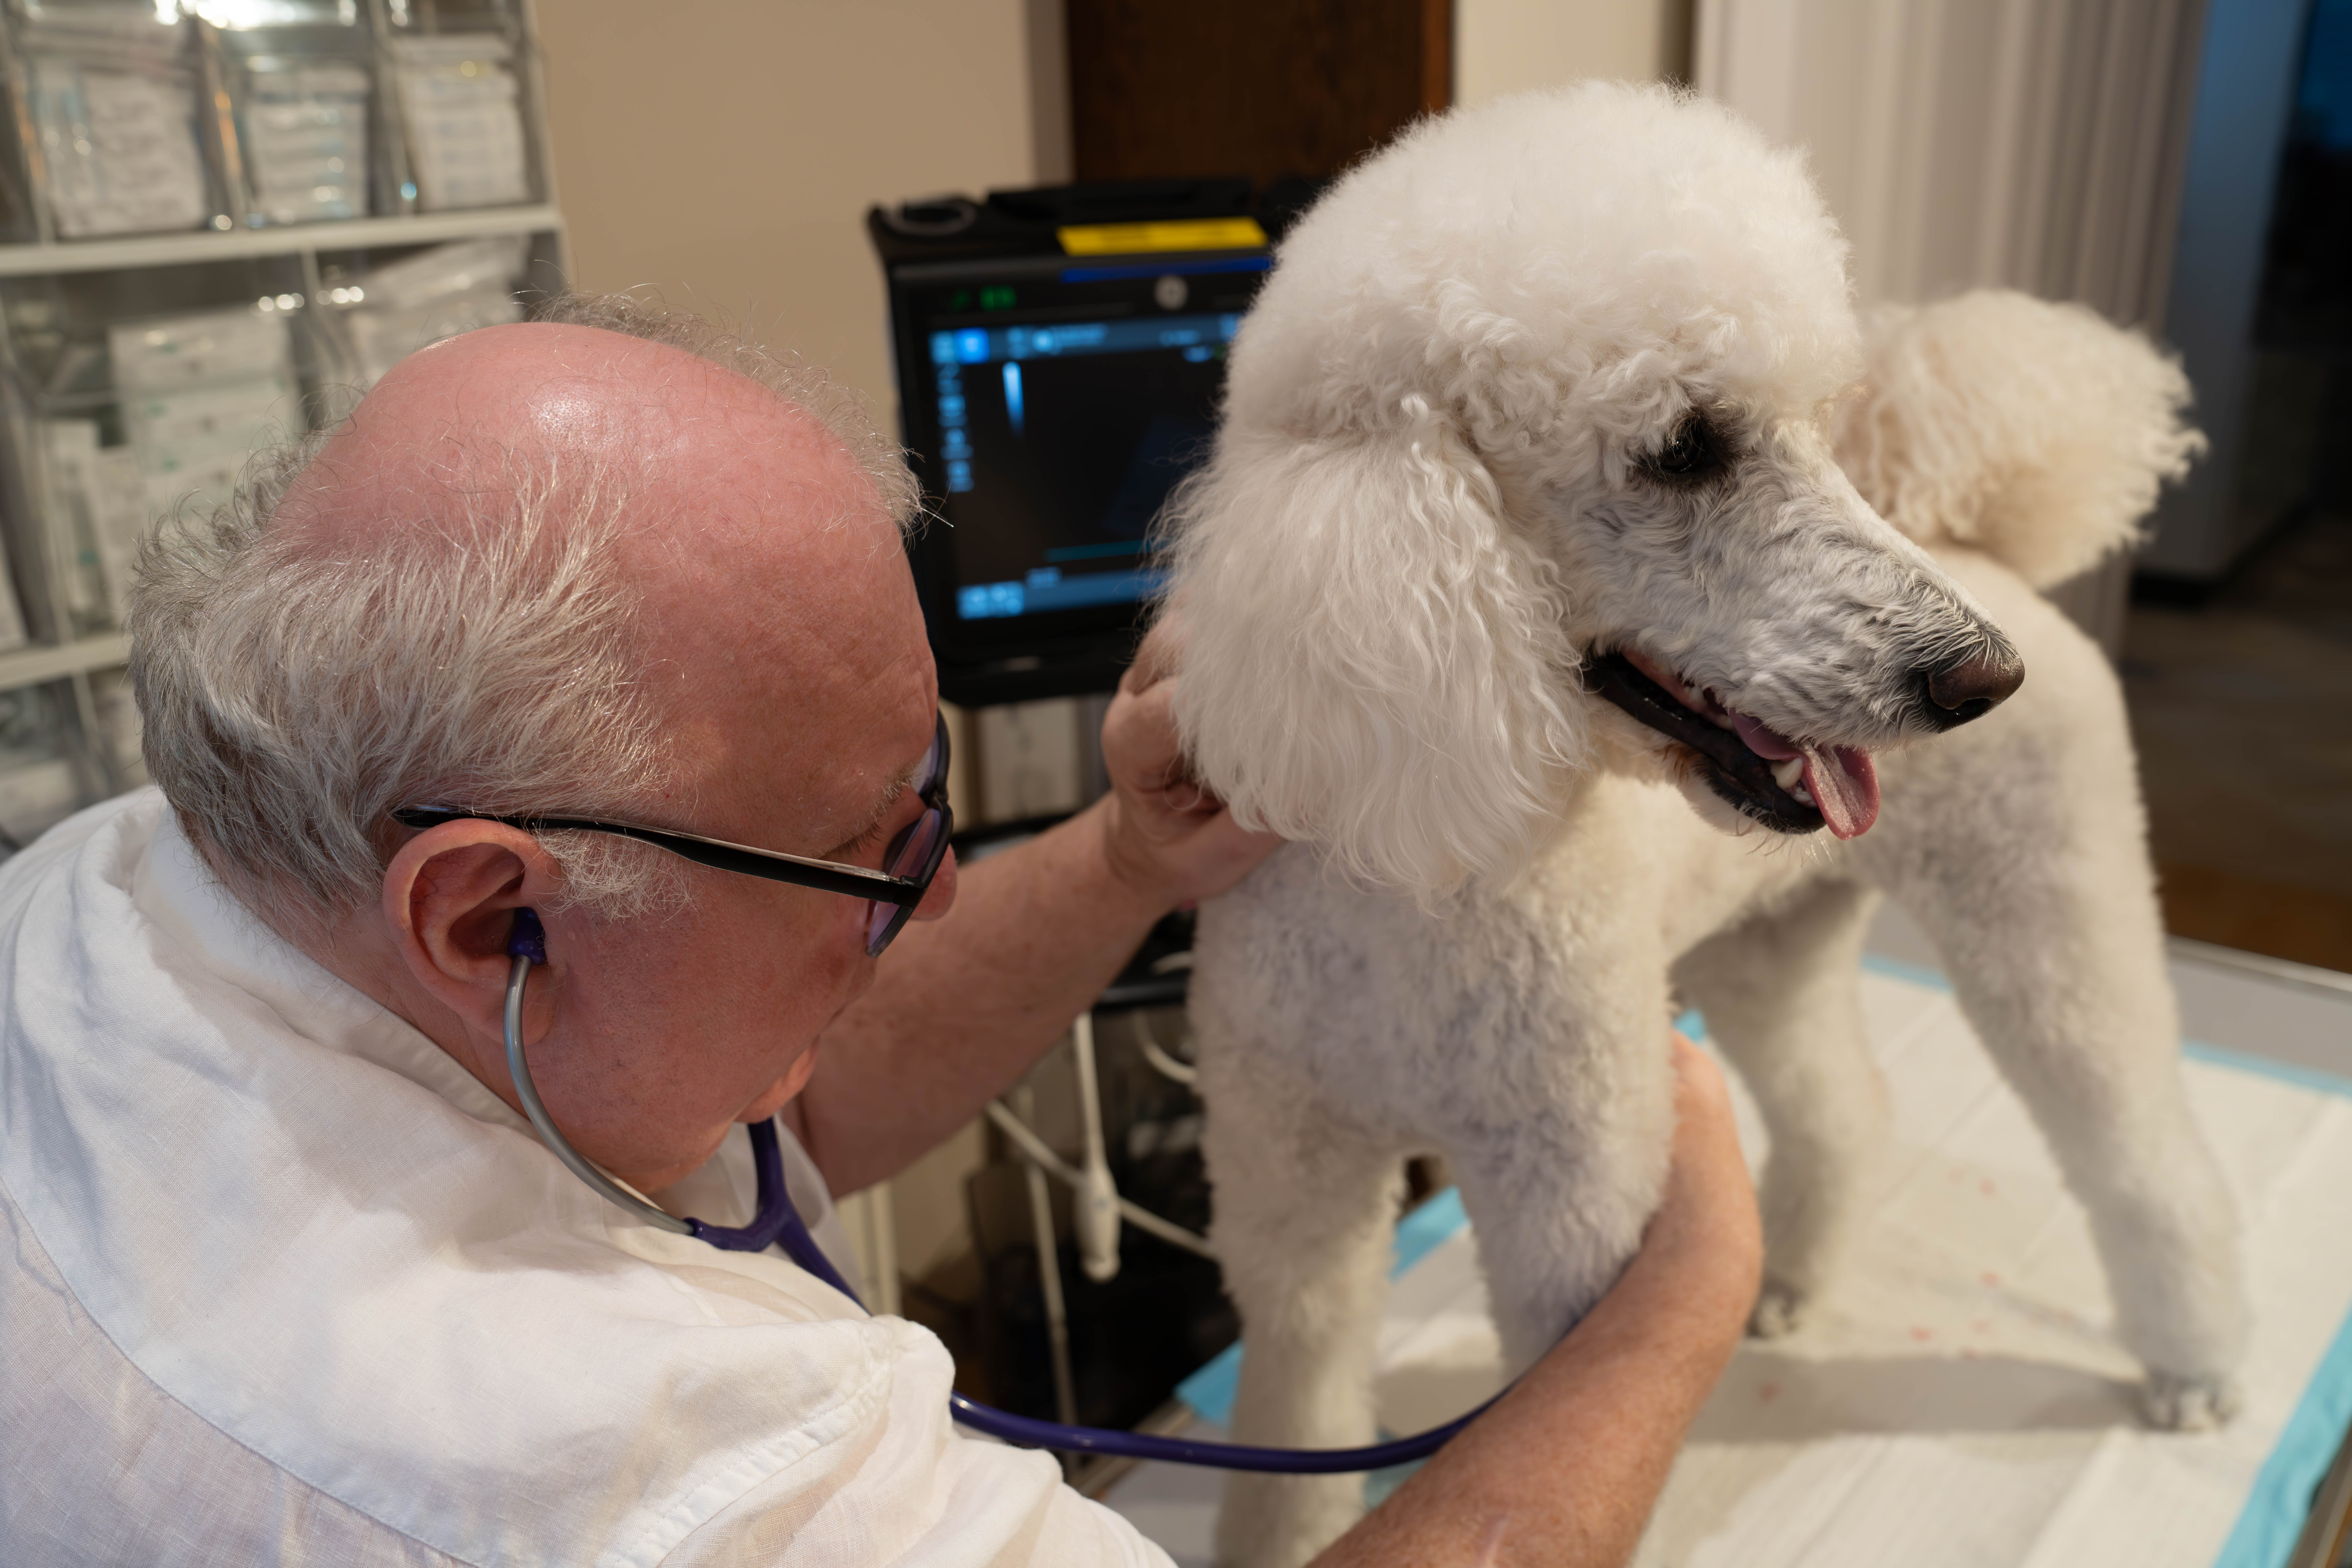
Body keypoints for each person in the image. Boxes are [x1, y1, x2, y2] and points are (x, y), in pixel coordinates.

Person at [0, 294, 1761, 1566]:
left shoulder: (136, 878)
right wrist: (1677, 1298)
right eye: (864, 855)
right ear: (488, 914)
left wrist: (1131, 856)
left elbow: (778, 1102)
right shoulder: (644, 1469)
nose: (917, 889)